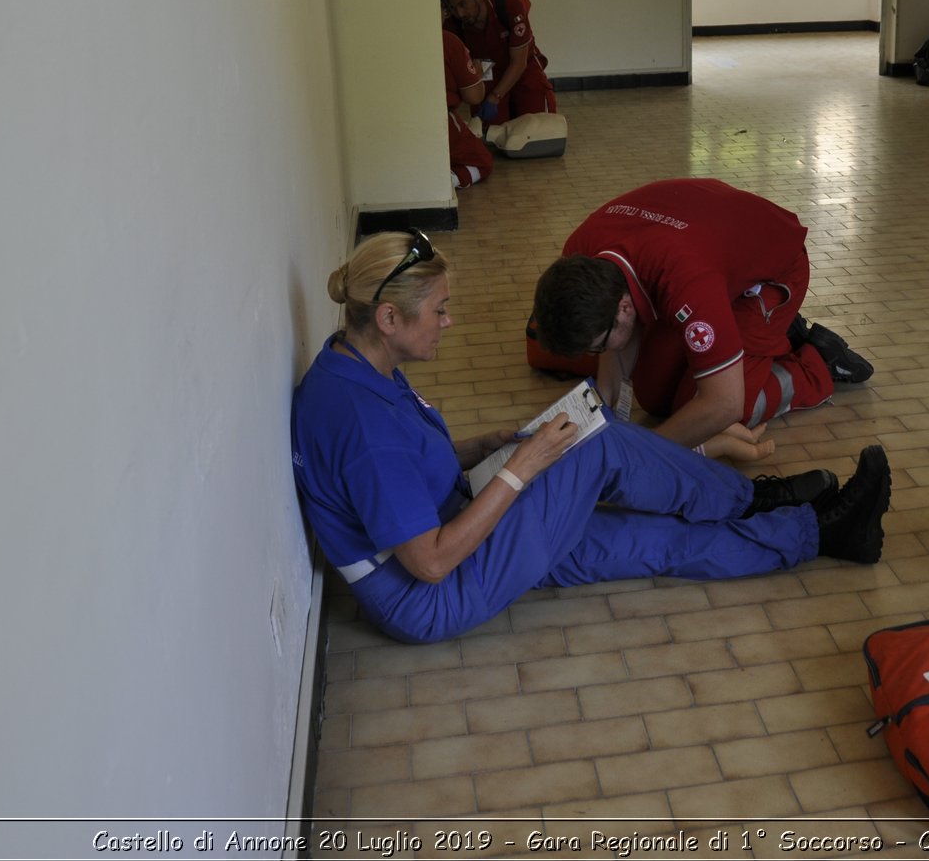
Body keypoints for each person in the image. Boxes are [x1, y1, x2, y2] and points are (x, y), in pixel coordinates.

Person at [290, 230, 892, 644]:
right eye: (440, 311)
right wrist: (520, 467)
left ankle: (823, 533)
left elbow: (405, 472)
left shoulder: (356, 364)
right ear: (390, 318)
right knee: (598, 438)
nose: (449, 322)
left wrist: (491, 444)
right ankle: (753, 497)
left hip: (464, 519)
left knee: (646, 543)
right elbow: (431, 561)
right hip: (439, 592)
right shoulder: (363, 424)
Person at [530, 178, 874, 459]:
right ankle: (755, 344)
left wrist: (640, 455)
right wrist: (597, 419)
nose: (596, 355)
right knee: (653, 397)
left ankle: (815, 362)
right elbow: (613, 364)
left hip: (770, 275)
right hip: (708, 253)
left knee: (714, 412)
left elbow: (723, 404)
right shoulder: (580, 254)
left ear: (623, 307)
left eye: (596, 346)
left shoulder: (685, 281)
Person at [441, 0, 556, 126]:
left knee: (539, 126)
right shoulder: (453, 23)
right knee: (491, 131)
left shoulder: (509, 7)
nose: (460, 13)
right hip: (488, 69)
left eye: (463, 4)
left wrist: (495, 97)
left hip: (524, 67)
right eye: (453, 8)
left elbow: (519, 61)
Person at [442, 30, 494, 189]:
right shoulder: (447, 40)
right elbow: (474, 96)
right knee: (481, 162)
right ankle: (444, 183)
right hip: (439, 115)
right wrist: (477, 75)